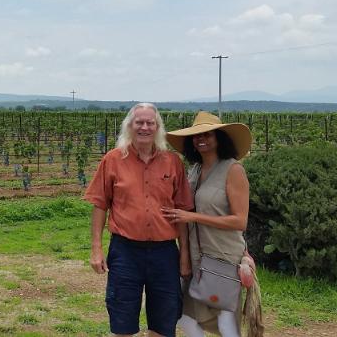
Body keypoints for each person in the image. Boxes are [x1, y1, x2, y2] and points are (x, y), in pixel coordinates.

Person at [84, 103, 194, 337]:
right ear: (129, 126)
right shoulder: (112, 160)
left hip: (165, 253)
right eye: (139, 122)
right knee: (122, 319)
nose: (145, 127)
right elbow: (100, 204)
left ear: (158, 127)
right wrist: (96, 248)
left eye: (150, 123)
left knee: (164, 322)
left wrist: (184, 255)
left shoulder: (173, 162)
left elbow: (182, 211)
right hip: (125, 252)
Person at [162, 111, 254, 337]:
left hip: (222, 256)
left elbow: (240, 221)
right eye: (196, 136)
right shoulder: (195, 170)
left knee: (225, 321)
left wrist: (193, 217)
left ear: (219, 138)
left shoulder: (233, 170)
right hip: (197, 256)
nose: (201, 139)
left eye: (207, 134)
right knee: (187, 316)